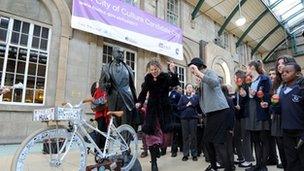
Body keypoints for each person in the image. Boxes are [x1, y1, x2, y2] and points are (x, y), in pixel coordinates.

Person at [188, 57, 231, 171]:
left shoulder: (209, 72)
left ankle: (227, 167)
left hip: (219, 110)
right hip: (211, 113)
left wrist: (198, 74)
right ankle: (214, 165)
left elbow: (215, 83)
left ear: (198, 66)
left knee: (217, 142)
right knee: (208, 141)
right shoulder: (202, 78)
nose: (192, 72)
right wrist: (198, 85)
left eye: (193, 69)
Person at [136, 60, 180, 171]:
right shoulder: (148, 78)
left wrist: (173, 71)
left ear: (159, 68)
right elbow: (143, 92)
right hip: (152, 111)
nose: (154, 72)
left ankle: (158, 150)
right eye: (151, 70)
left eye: (155, 69)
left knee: (164, 137)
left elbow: (174, 83)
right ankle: (154, 162)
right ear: (149, 70)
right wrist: (139, 102)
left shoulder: (165, 76)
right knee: (151, 135)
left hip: (164, 110)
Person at [272, 62, 304, 171]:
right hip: (286, 131)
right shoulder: (282, 91)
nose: (284, 74)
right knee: (291, 160)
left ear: (297, 74)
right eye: (283, 72)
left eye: (287, 72)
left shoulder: (301, 89)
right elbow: (278, 111)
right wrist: (274, 104)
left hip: (300, 131)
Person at [243, 60, 271, 171]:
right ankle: (258, 164)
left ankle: (263, 165)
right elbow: (247, 97)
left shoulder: (264, 79)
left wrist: (256, 95)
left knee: (263, 140)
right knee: (255, 140)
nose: (246, 70)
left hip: (260, 112)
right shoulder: (249, 81)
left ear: (252, 68)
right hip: (251, 112)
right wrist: (247, 95)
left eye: (247, 68)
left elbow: (268, 95)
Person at [270, 56, 296, 169]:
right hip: (277, 119)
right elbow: (276, 102)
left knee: (292, 155)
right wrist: (272, 105)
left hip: (289, 119)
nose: (280, 65)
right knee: (282, 151)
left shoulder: (295, 82)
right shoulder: (277, 83)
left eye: (283, 63)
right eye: (278, 63)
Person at [99, 47, 137, 126]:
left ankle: (126, 138)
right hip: (113, 100)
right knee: (116, 125)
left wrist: (136, 101)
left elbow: (132, 86)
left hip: (127, 99)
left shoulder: (128, 68)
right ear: (113, 53)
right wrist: (106, 85)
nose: (121, 54)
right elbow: (101, 85)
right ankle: (118, 138)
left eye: (122, 53)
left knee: (126, 124)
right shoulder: (106, 68)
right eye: (119, 52)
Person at [232, 70, 254, 168]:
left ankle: (248, 159)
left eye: (236, 78)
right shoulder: (238, 88)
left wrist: (244, 97)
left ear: (240, 78)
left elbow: (248, 101)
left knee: (245, 138)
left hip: (244, 116)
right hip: (238, 116)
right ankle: (241, 157)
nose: (235, 79)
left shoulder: (246, 87)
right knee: (236, 137)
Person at [83, 82, 109, 150]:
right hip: (102, 115)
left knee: (100, 135)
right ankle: (101, 152)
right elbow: (101, 101)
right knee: (102, 135)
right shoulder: (99, 91)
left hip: (99, 115)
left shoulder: (97, 92)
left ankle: (99, 151)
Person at [177, 83, 199, 161]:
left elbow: (196, 104)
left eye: (191, 87)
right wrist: (187, 105)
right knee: (185, 136)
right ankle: (185, 154)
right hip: (184, 119)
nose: (189, 89)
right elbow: (179, 107)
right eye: (188, 87)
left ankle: (194, 154)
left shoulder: (195, 97)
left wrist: (191, 101)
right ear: (185, 89)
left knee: (193, 136)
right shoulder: (182, 97)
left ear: (192, 89)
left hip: (193, 118)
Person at [169, 85, 182, 157]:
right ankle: (174, 150)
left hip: (178, 116)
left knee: (177, 133)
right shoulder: (173, 94)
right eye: (180, 88)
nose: (181, 89)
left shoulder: (178, 94)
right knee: (175, 133)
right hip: (175, 117)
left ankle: (178, 148)